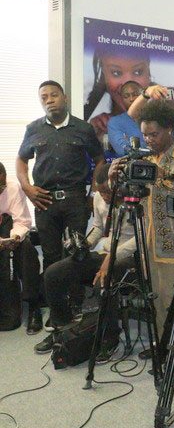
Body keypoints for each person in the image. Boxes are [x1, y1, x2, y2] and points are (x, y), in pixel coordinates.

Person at [17, 80, 105, 332]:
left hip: (75, 199)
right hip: (44, 200)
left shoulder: (83, 129)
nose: (49, 100)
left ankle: (75, 303)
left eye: (53, 95)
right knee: (51, 255)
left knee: (76, 254)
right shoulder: (33, 129)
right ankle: (57, 308)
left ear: (64, 98)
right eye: (44, 97)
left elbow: (99, 160)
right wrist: (27, 187)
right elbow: (21, 160)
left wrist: (94, 193)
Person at [109, 100, 174, 332]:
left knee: (172, 301)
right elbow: (127, 197)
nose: (148, 140)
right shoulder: (146, 159)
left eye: (154, 134)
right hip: (148, 241)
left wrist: (162, 174)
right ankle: (159, 343)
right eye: (144, 135)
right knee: (154, 299)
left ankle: (170, 347)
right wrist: (115, 177)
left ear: (168, 128)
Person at [33, 164, 127, 357]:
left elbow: (140, 239)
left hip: (128, 256)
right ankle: (63, 329)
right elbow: (99, 228)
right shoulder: (99, 197)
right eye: (100, 191)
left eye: (108, 191)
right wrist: (85, 244)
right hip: (104, 252)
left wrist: (111, 256)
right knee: (53, 273)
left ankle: (110, 337)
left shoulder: (133, 201)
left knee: (103, 282)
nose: (104, 196)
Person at [0, 162, 41, 333]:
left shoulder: (13, 188)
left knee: (26, 250)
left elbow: (21, 221)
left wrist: (15, 237)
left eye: (1, 185)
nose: (1, 189)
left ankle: (34, 307)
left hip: (13, 231)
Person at [107, 80, 146, 156]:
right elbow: (123, 150)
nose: (131, 99)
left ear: (143, 96)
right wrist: (149, 147)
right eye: (126, 96)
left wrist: (135, 145)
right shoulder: (115, 122)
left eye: (135, 94)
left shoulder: (154, 118)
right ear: (122, 99)